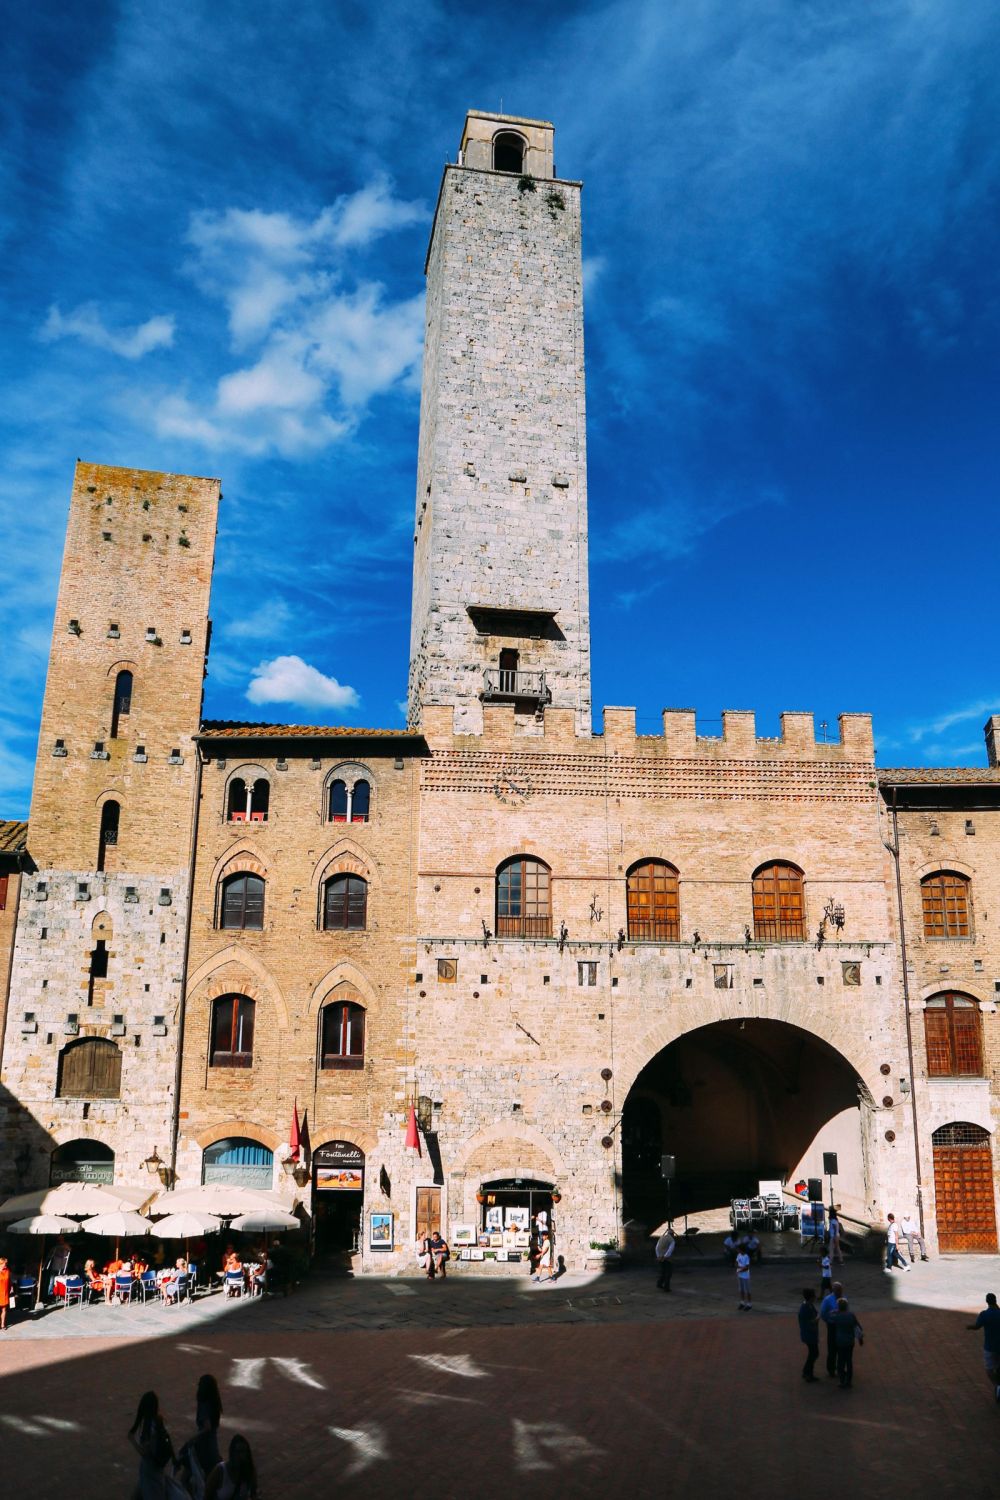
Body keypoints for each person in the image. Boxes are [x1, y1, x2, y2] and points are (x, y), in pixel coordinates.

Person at [128, 1390, 180, 1499]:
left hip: (149, 1471)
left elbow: (144, 1452)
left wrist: (132, 1440)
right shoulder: (158, 1420)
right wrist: (174, 1458)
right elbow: (167, 1439)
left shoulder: (148, 1427)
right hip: (156, 1469)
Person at [179, 1373, 224, 1500]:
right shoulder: (215, 1402)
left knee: (187, 1477)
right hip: (211, 1444)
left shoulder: (204, 1403)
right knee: (211, 1475)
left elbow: (206, 1427)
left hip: (204, 1445)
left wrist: (192, 1438)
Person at [966, 1291, 1000, 1399]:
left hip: (990, 1346)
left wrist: (969, 1327)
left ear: (987, 1302)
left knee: (989, 1369)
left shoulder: (984, 1315)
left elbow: (977, 1326)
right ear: (995, 1301)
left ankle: (996, 1385)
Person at [205, 1434, 258, 1499]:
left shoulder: (250, 1470)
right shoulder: (220, 1470)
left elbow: (253, 1494)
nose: (241, 1455)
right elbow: (207, 1495)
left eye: (244, 1451)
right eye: (238, 1452)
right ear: (232, 1453)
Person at [833, 1297, 864, 1388]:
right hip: (850, 1341)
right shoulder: (851, 1315)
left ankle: (842, 1380)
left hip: (840, 1341)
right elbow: (858, 1327)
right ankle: (849, 1381)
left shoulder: (837, 1316)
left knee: (840, 1361)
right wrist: (860, 1339)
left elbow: (829, 1318)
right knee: (849, 1360)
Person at [820, 1280, 843, 1377]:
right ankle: (831, 1369)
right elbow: (823, 1313)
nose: (840, 1292)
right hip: (832, 1326)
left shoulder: (844, 1298)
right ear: (834, 1290)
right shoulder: (828, 1299)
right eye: (838, 1290)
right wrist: (829, 1320)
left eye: (841, 1290)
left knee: (841, 1348)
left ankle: (840, 1368)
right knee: (832, 1348)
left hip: (841, 1326)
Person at [798, 1288, 820, 1381]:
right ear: (811, 1297)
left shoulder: (808, 1305)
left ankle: (807, 1372)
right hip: (809, 1334)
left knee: (813, 1353)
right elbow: (812, 1321)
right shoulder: (806, 1307)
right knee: (814, 1353)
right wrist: (818, 1317)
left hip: (809, 1333)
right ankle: (808, 1373)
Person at [46, 1235, 71, 1299]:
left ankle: (61, 1293)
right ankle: (51, 1294)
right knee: (52, 1280)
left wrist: (63, 1246)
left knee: (62, 1280)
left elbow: (69, 1250)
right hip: (55, 1265)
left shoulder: (66, 1245)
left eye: (61, 1239)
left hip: (63, 1266)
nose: (60, 1240)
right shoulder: (55, 1247)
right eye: (59, 1239)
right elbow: (50, 1254)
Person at [655, 1224, 675, 1292]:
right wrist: (665, 1257)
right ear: (672, 1234)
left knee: (663, 1271)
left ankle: (659, 1283)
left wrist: (658, 1256)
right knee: (668, 1273)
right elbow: (670, 1250)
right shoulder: (672, 1240)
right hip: (666, 1258)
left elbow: (657, 1247)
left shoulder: (661, 1237)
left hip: (659, 1257)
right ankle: (666, 1287)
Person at [0, 1255, 10, 1332]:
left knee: (4, 1309)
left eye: (6, 1263)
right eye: (4, 1263)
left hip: (5, 1292)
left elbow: (8, 1280)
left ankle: (2, 1324)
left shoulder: (7, 1270)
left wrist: (11, 1287)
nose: (5, 1265)